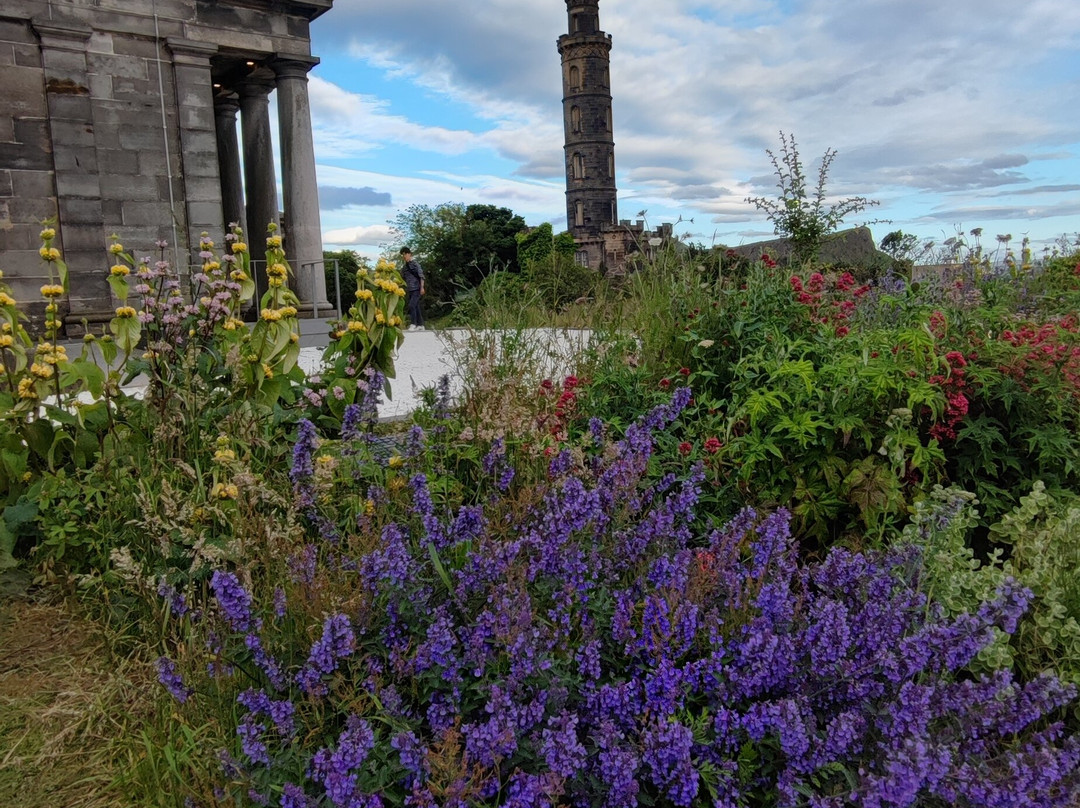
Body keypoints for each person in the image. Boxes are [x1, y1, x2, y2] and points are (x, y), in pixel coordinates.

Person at [399, 246, 425, 331]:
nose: (404, 256)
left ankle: (413, 324)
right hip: (410, 289)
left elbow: (421, 276)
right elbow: (401, 278)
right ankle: (420, 324)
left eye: (405, 254)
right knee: (416, 306)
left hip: (417, 288)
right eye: (403, 255)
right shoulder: (404, 267)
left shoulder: (415, 264)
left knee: (411, 305)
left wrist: (422, 288)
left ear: (409, 254)